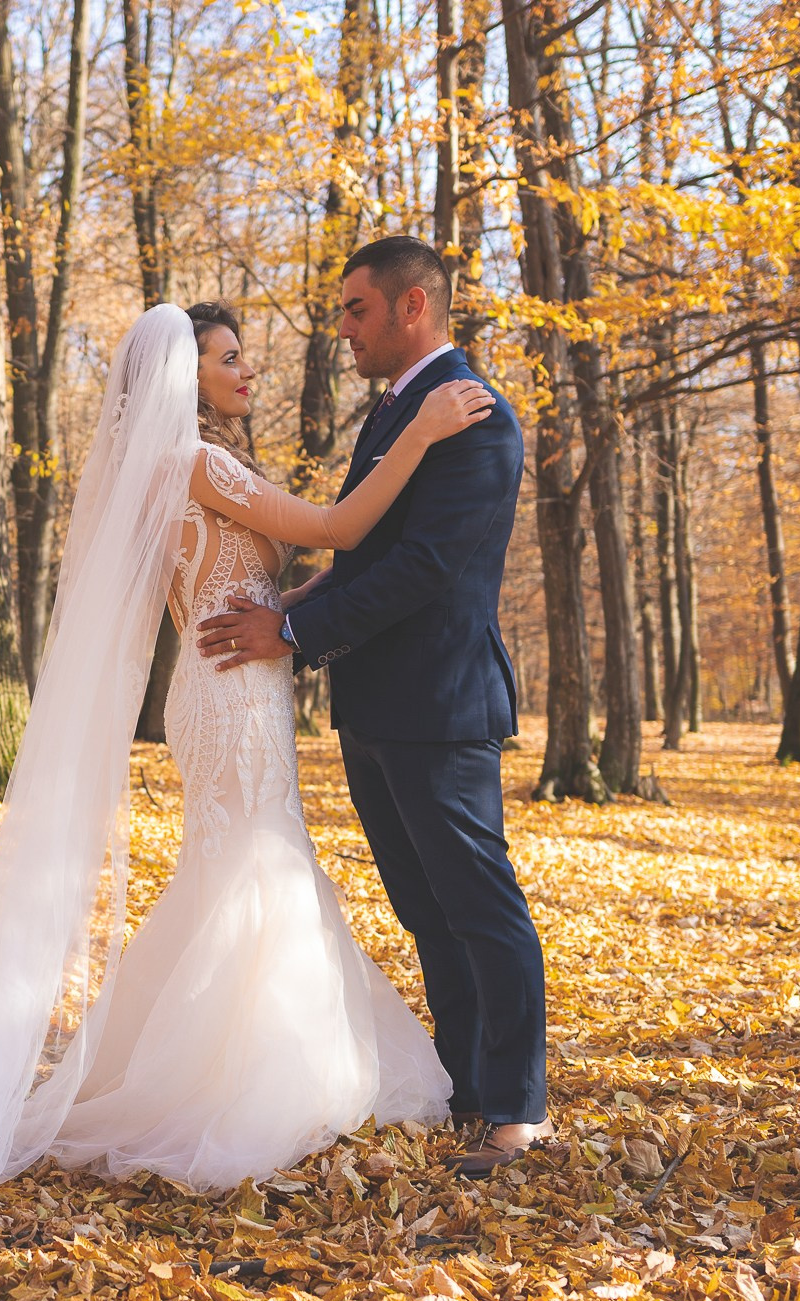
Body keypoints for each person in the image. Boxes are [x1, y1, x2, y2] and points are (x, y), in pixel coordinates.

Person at [0, 297, 493, 1235]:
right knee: (254, 862)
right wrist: (423, 431)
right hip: (230, 695)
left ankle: (221, 1063)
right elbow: (343, 526)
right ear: (190, 375)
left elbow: (267, 575)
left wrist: (295, 605)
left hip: (227, 682)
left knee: (242, 862)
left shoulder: (170, 467)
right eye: (231, 359)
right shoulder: (197, 459)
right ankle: (238, 1084)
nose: (247, 373)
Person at [196, 235, 552, 1177]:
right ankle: (465, 1087)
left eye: (356, 309)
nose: (343, 328)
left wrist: (294, 637)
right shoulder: (395, 413)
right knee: (425, 908)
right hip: (373, 702)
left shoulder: (474, 417)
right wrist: (289, 608)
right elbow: (357, 554)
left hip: (441, 702)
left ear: (412, 308)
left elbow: (426, 569)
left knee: (481, 904)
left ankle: (517, 1108)